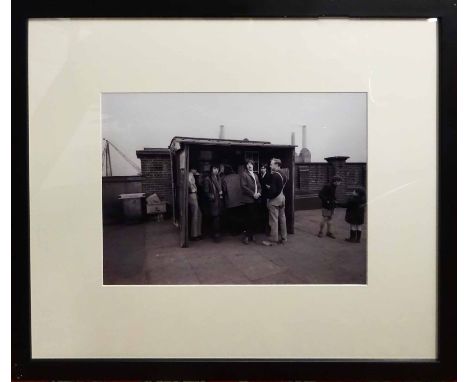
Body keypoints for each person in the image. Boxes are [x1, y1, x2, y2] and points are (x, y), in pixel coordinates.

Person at [262, 158, 288, 246]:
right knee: (282, 219)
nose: (270, 165)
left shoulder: (275, 175)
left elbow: (273, 191)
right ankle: (284, 238)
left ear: (277, 165)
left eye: (271, 164)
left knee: (273, 220)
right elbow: (280, 187)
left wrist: (268, 197)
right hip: (282, 198)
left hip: (275, 200)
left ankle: (273, 240)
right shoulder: (283, 174)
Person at [240, 160, 262, 244]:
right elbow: (244, 187)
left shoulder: (255, 175)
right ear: (246, 166)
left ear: (253, 165)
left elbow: (259, 186)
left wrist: (259, 193)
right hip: (249, 200)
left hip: (256, 200)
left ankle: (252, 235)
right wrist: (253, 194)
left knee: (254, 218)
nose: (250, 166)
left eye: (251, 164)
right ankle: (246, 237)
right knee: (248, 218)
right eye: (248, 164)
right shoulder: (244, 174)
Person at [203, 165, 224, 242]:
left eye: (217, 169)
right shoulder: (208, 179)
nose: (216, 170)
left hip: (219, 201)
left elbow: (221, 188)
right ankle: (216, 235)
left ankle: (216, 234)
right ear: (211, 169)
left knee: (217, 218)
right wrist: (212, 197)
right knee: (215, 218)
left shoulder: (219, 178)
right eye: (214, 168)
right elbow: (206, 191)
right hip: (213, 202)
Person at [221, 165, 244, 235]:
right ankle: (240, 230)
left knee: (232, 216)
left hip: (230, 201)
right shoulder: (238, 176)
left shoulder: (224, 179)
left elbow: (224, 190)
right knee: (239, 216)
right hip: (240, 200)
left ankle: (233, 232)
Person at [187, 168, 203, 241]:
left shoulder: (191, 174)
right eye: (195, 169)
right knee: (195, 215)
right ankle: (194, 234)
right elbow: (190, 186)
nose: (196, 171)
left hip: (193, 194)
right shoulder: (189, 175)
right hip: (192, 195)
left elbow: (198, 174)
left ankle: (198, 233)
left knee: (198, 214)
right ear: (192, 169)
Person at [258, 163, 271, 234]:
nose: (261, 169)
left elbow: (269, 187)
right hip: (261, 197)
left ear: (266, 169)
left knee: (267, 213)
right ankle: (262, 228)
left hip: (267, 197)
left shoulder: (268, 176)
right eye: (261, 168)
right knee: (262, 212)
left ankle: (268, 229)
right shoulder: (260, 176)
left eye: (263, 168)